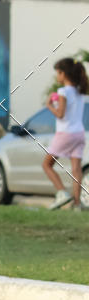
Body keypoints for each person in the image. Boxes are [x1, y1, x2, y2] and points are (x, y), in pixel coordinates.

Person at [42, 57, 88, 210]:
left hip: (65, 133)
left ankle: (62, 193)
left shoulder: (63, 91)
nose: (57, 76)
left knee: (47, 164)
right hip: (79, 134)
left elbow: (61, 114)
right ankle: (76, 204)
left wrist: (49, 105)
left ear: (63, 74)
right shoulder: (80, 92)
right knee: (76, 169)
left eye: (57, 73)